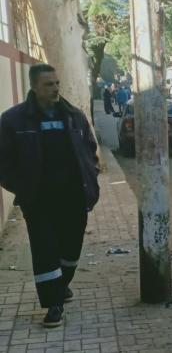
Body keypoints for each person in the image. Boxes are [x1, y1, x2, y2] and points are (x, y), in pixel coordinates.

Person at [0, 63, 100, 328]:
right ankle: (53, 304)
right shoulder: (12, 120)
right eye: (48, 84)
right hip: (38, 200)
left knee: (71, 250)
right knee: (45, 251)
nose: (55, 88)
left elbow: (90, 149)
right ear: (34, 87)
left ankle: (61, 283)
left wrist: (92, 175)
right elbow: (3, 161)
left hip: (73, 197)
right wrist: (20, 186)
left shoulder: (74, 116)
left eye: (56, 83)